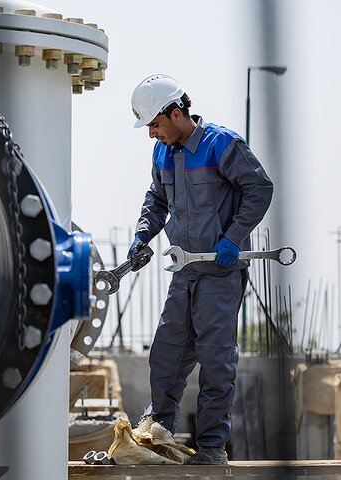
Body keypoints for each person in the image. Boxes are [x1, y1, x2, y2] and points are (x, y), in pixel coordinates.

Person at [128, 74, 274, 465]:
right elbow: (157, 199)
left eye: (155, 124)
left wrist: (233, 238)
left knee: (215, 361)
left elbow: (260, 188)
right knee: (166, 353)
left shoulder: (221, 145)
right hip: (185, 271)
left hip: (220, 273)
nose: (151, 134)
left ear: (176, 114)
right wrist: (142, 235)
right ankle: (158, 433)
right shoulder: (162, 153)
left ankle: (211, 448)